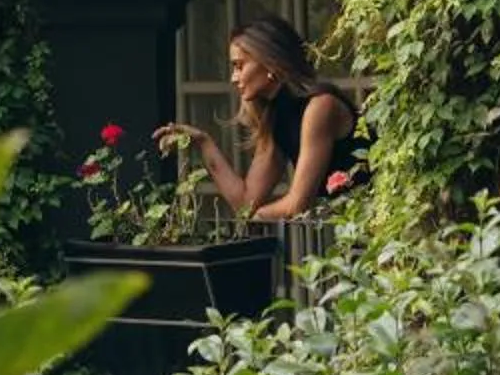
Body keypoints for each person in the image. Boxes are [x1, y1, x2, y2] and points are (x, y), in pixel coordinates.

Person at [156, 16, 364, 223]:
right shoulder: (277, 116)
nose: (233, 78)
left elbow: (296, 205)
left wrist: (252, 221)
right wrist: (203, 142)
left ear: (270, 63)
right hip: (351, 229)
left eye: (239, 66)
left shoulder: (320, 106)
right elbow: (246, 202)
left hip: (377, 229)